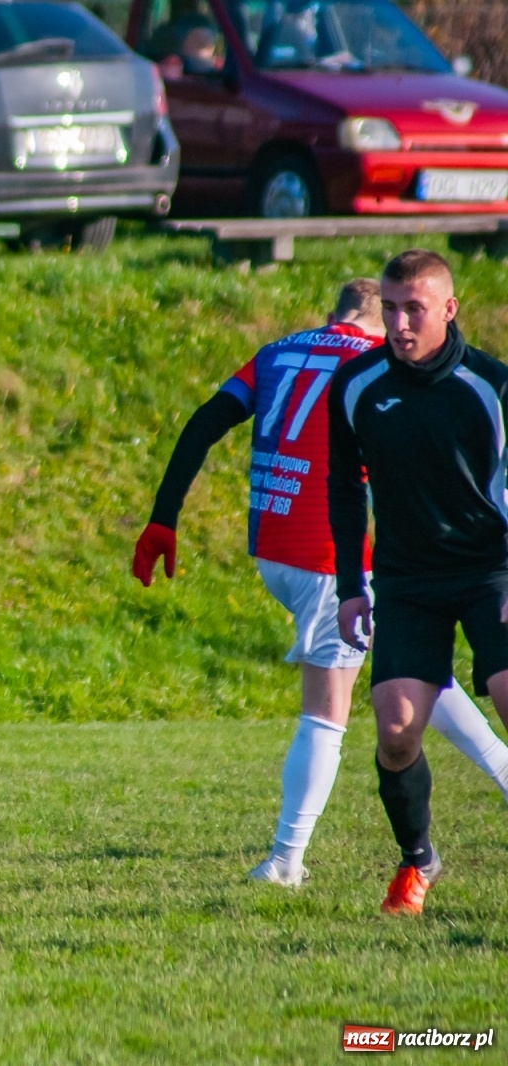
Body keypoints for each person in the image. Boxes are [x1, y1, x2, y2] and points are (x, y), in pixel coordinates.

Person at [135, 278, 508, 889]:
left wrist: (162, 516)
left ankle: (500, 771)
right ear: (370, 320)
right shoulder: (368, 369)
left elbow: (207, 420)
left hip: (273, 546)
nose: (399, 333)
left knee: (409, 668)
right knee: (327, 713)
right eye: (389, 317)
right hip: (331, 556)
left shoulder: (278, 351)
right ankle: (286, 860)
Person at [329, 249, 508, 916]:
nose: (401, 324)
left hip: (492, 570)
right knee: (397, 731)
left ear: (449, 309)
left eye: (416, 310)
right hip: (405, 581)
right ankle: (416, 862)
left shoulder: (490, 386)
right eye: (392, 308)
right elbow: (344, 489)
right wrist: (352, 586)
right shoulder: (356, 387)